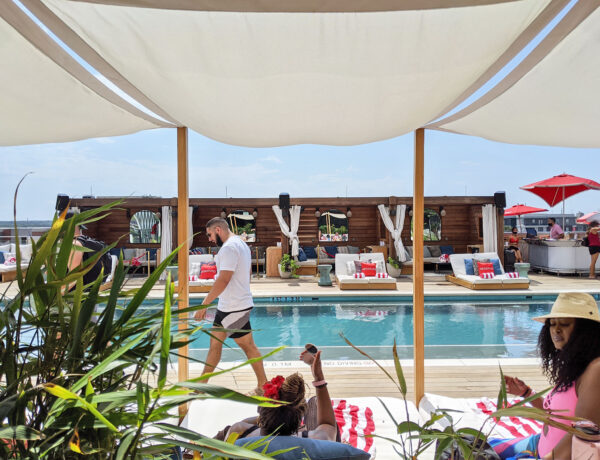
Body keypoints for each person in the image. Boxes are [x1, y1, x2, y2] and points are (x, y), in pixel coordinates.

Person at [494, 292, 600, 459]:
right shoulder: (574, 365)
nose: (556, 330)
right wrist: (527, 394)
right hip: (537, 444)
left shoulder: (596, 369)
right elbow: (558, 416)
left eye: (564, 324)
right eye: (552, 324)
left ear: (586, 330)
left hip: (547, 457)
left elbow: (584, 430)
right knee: (470, 444)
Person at [193, 217, 267, 394]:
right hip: (231, 305)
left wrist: (204, 304)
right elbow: (247, 273)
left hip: (233, 307)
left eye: (210, 235)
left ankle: (263, 385)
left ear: (218, 229)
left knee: (247, 346)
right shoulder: (241, 244)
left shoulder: (228, 248)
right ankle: (201, 387)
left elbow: (224, 279)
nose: (210, 239)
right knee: (217, 344)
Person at [220, 347, 337, 441]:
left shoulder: (239, 433)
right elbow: (328, 425)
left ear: (260, 410)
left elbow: (243, 424)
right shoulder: (317, 440)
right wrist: (319, 379)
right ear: (298, 423)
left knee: (226, 430)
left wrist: (274, 415)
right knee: (313, 401)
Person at [66, 210, 112, 290]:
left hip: (75, 298)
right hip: (93, 294)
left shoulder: (75, 245)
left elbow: (73, 280)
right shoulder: (95, 244)